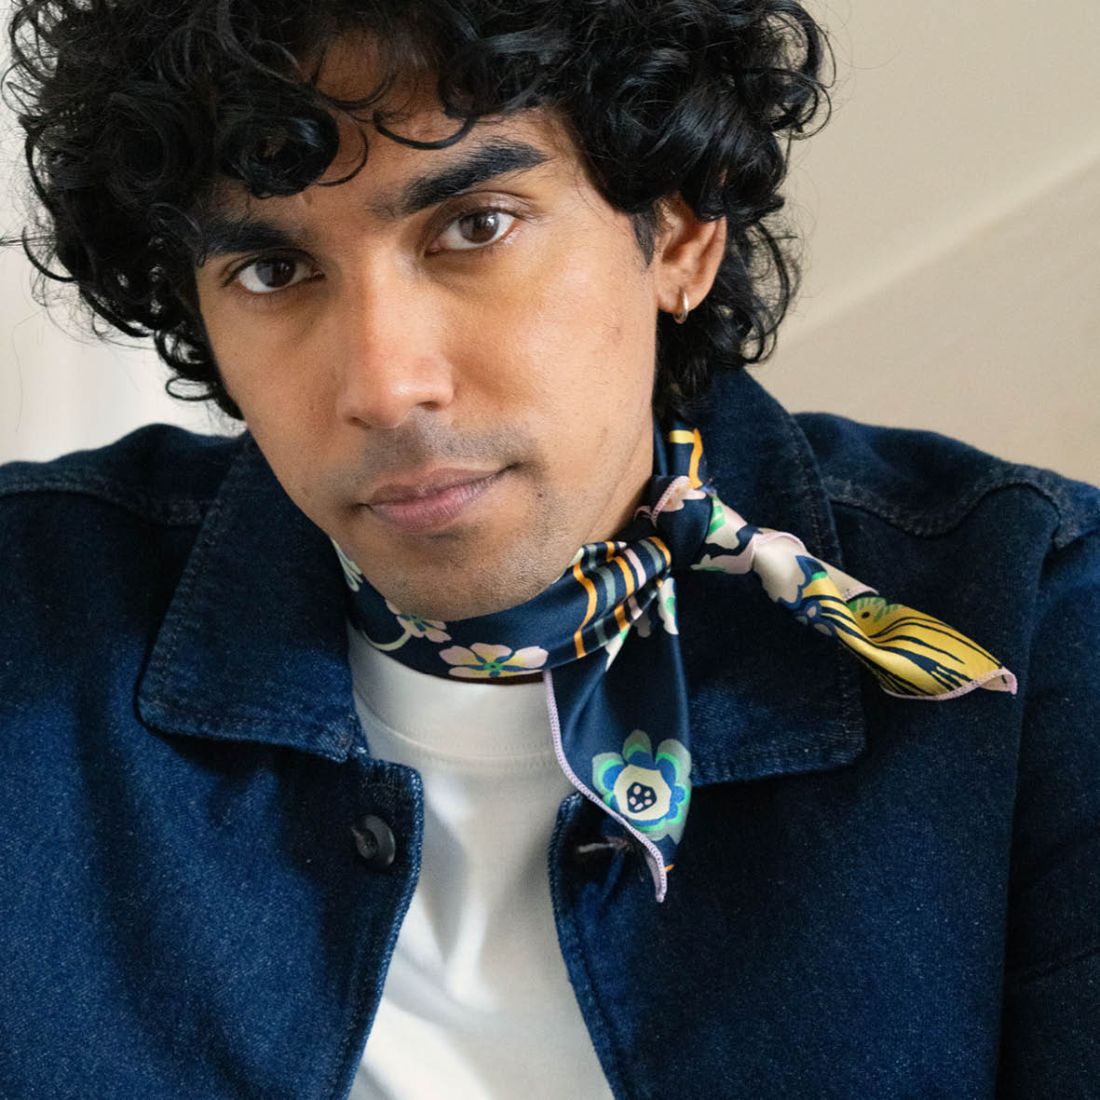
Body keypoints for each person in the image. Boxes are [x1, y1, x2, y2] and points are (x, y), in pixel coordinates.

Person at [0, 0, 1097, 1097]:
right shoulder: (28, 607)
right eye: (273, 272)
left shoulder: (1043, 620)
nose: (385, 384)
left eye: (475, 226)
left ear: (680, 231)